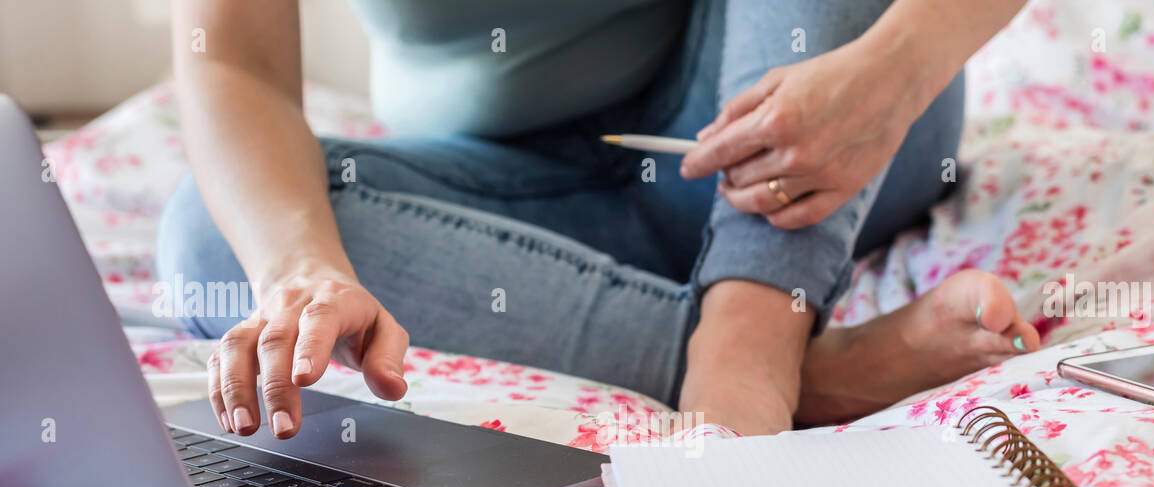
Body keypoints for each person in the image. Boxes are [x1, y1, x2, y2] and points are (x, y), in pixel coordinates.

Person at [159, 0, 1037, 440]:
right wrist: (302, 269)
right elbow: (232, 67)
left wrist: (898, 66)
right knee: (217, 236)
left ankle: (756, 335)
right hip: (532, 206)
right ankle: (816, 371)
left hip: (795, 140)